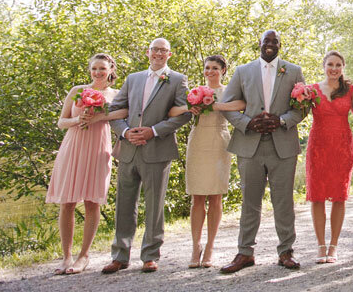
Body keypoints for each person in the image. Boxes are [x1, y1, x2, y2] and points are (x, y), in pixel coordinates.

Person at [217, 30, 305, 273]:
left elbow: (301, 108)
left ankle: (286, 251)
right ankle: (245, 252)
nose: (269, 44)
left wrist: (282, 120)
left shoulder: (293, 71)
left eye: (274, 41)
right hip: (250, 143)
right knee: (250, 201)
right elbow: (226, 105)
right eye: (266, 41)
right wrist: (247, 123)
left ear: (279, 45)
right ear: (259, 44)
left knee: (284, 201)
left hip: (282, 145)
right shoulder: (243, 71)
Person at [102, 38, 192, 274]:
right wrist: (124, 132)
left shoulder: (177, 80)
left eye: (163, 50)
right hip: (129, 149)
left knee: (154, 205)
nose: (158, 54)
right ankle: (120, 255)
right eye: (155, 50)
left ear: (169, 54)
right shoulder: (133, 78)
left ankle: (150, 255)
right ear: (148, 52)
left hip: (157, 149)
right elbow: (115, 110)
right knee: (124, 204)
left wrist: (153, 131)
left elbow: (184, 114)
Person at [46, 53, 120, 275]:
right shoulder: (77, 91)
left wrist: (99, 116)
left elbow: (122, 116)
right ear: (89, 70)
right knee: (67, 202)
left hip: (98, 148)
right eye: (94, 69)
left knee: (91, 202)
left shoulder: (115, 94)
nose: (97, 73)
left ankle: (83, 255)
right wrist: (79, 120)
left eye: (102, 69)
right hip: (74, 146)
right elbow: (61, 122)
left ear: (110, 71)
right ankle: (66, 256)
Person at [183, 55, 241, 268]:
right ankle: (195, 245)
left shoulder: (227, 91)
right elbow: (175, 110)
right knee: (197, 196)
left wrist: (218, 106)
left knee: (216, 196)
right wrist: (189, 108)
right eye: (207, 68)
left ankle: (210, 247)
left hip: (218, 140)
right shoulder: (195, 92)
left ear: (223, 70)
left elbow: (242, 103)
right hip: (198, 140)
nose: (210, 71)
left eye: (215, 68)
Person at [306, 51, 353, 264]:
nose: (334, 69)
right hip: (318, 146)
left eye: (338, 65)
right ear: (324, 66)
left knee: (339, 195)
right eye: (330, 65)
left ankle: (334, 246)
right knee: (317, 195)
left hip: (342, 147)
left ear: (343, 67)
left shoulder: (350, 89)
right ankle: (320, 245)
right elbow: (297, 111)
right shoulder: (312, 90)